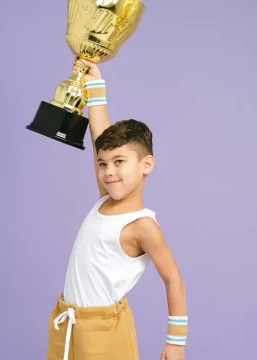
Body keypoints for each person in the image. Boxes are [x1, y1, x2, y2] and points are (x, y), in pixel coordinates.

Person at [46, 58, 188, 360]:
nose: (109, 171)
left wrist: (175, 341)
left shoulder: (142, 226)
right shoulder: (103, 199)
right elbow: (100, 136)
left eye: (119, 162)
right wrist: (93, 83)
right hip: (68, 320)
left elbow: (172, 277)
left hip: (103, 330)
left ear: (146, 164)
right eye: (102, 164)